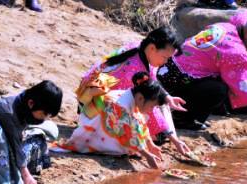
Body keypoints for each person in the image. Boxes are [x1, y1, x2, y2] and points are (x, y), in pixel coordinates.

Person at [157, 19, 247, 146]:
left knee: (219, 83)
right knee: (219, 89)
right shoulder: (235, 51)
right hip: (175, 83)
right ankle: (182, 119)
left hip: (166, 70)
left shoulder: (225, 27)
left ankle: (187, 116)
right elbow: (245, 88)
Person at [79, 26, 191, 156]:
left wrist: (167, 97)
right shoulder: (133, 70)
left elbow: (151, 81)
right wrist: (171, 138)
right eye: (165, 58)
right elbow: (145, 104)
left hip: (89, 93)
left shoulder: (141, 47)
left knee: (159, 117)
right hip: (91, 105)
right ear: (152, 48)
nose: (165, 62)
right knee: (157, 136)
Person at [61, 72, 166, 169]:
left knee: (135, 123)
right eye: (152, 106)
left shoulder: (132, 97)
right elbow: (129, 136)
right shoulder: (120, 105)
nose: (151, 110)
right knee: (127, 143)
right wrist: (147, 155)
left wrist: (150, 144)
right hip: (93, 130)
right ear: (140, 98)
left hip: (108, 121)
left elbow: (138, 123)